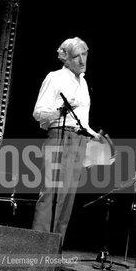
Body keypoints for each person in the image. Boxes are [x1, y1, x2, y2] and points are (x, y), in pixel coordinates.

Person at [31, 37, 101, 244]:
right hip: (60, 137)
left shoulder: (84, 82)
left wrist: (93, 134)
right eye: (76, 56)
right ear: (66, 60)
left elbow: (81, 120)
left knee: (67, 199)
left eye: (84, 54)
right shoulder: (55, 78)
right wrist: (59, 110)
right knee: (51, 196)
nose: (82, 60)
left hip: (78, 140)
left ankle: (54, 252)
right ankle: (38, 251)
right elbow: (38, 113)